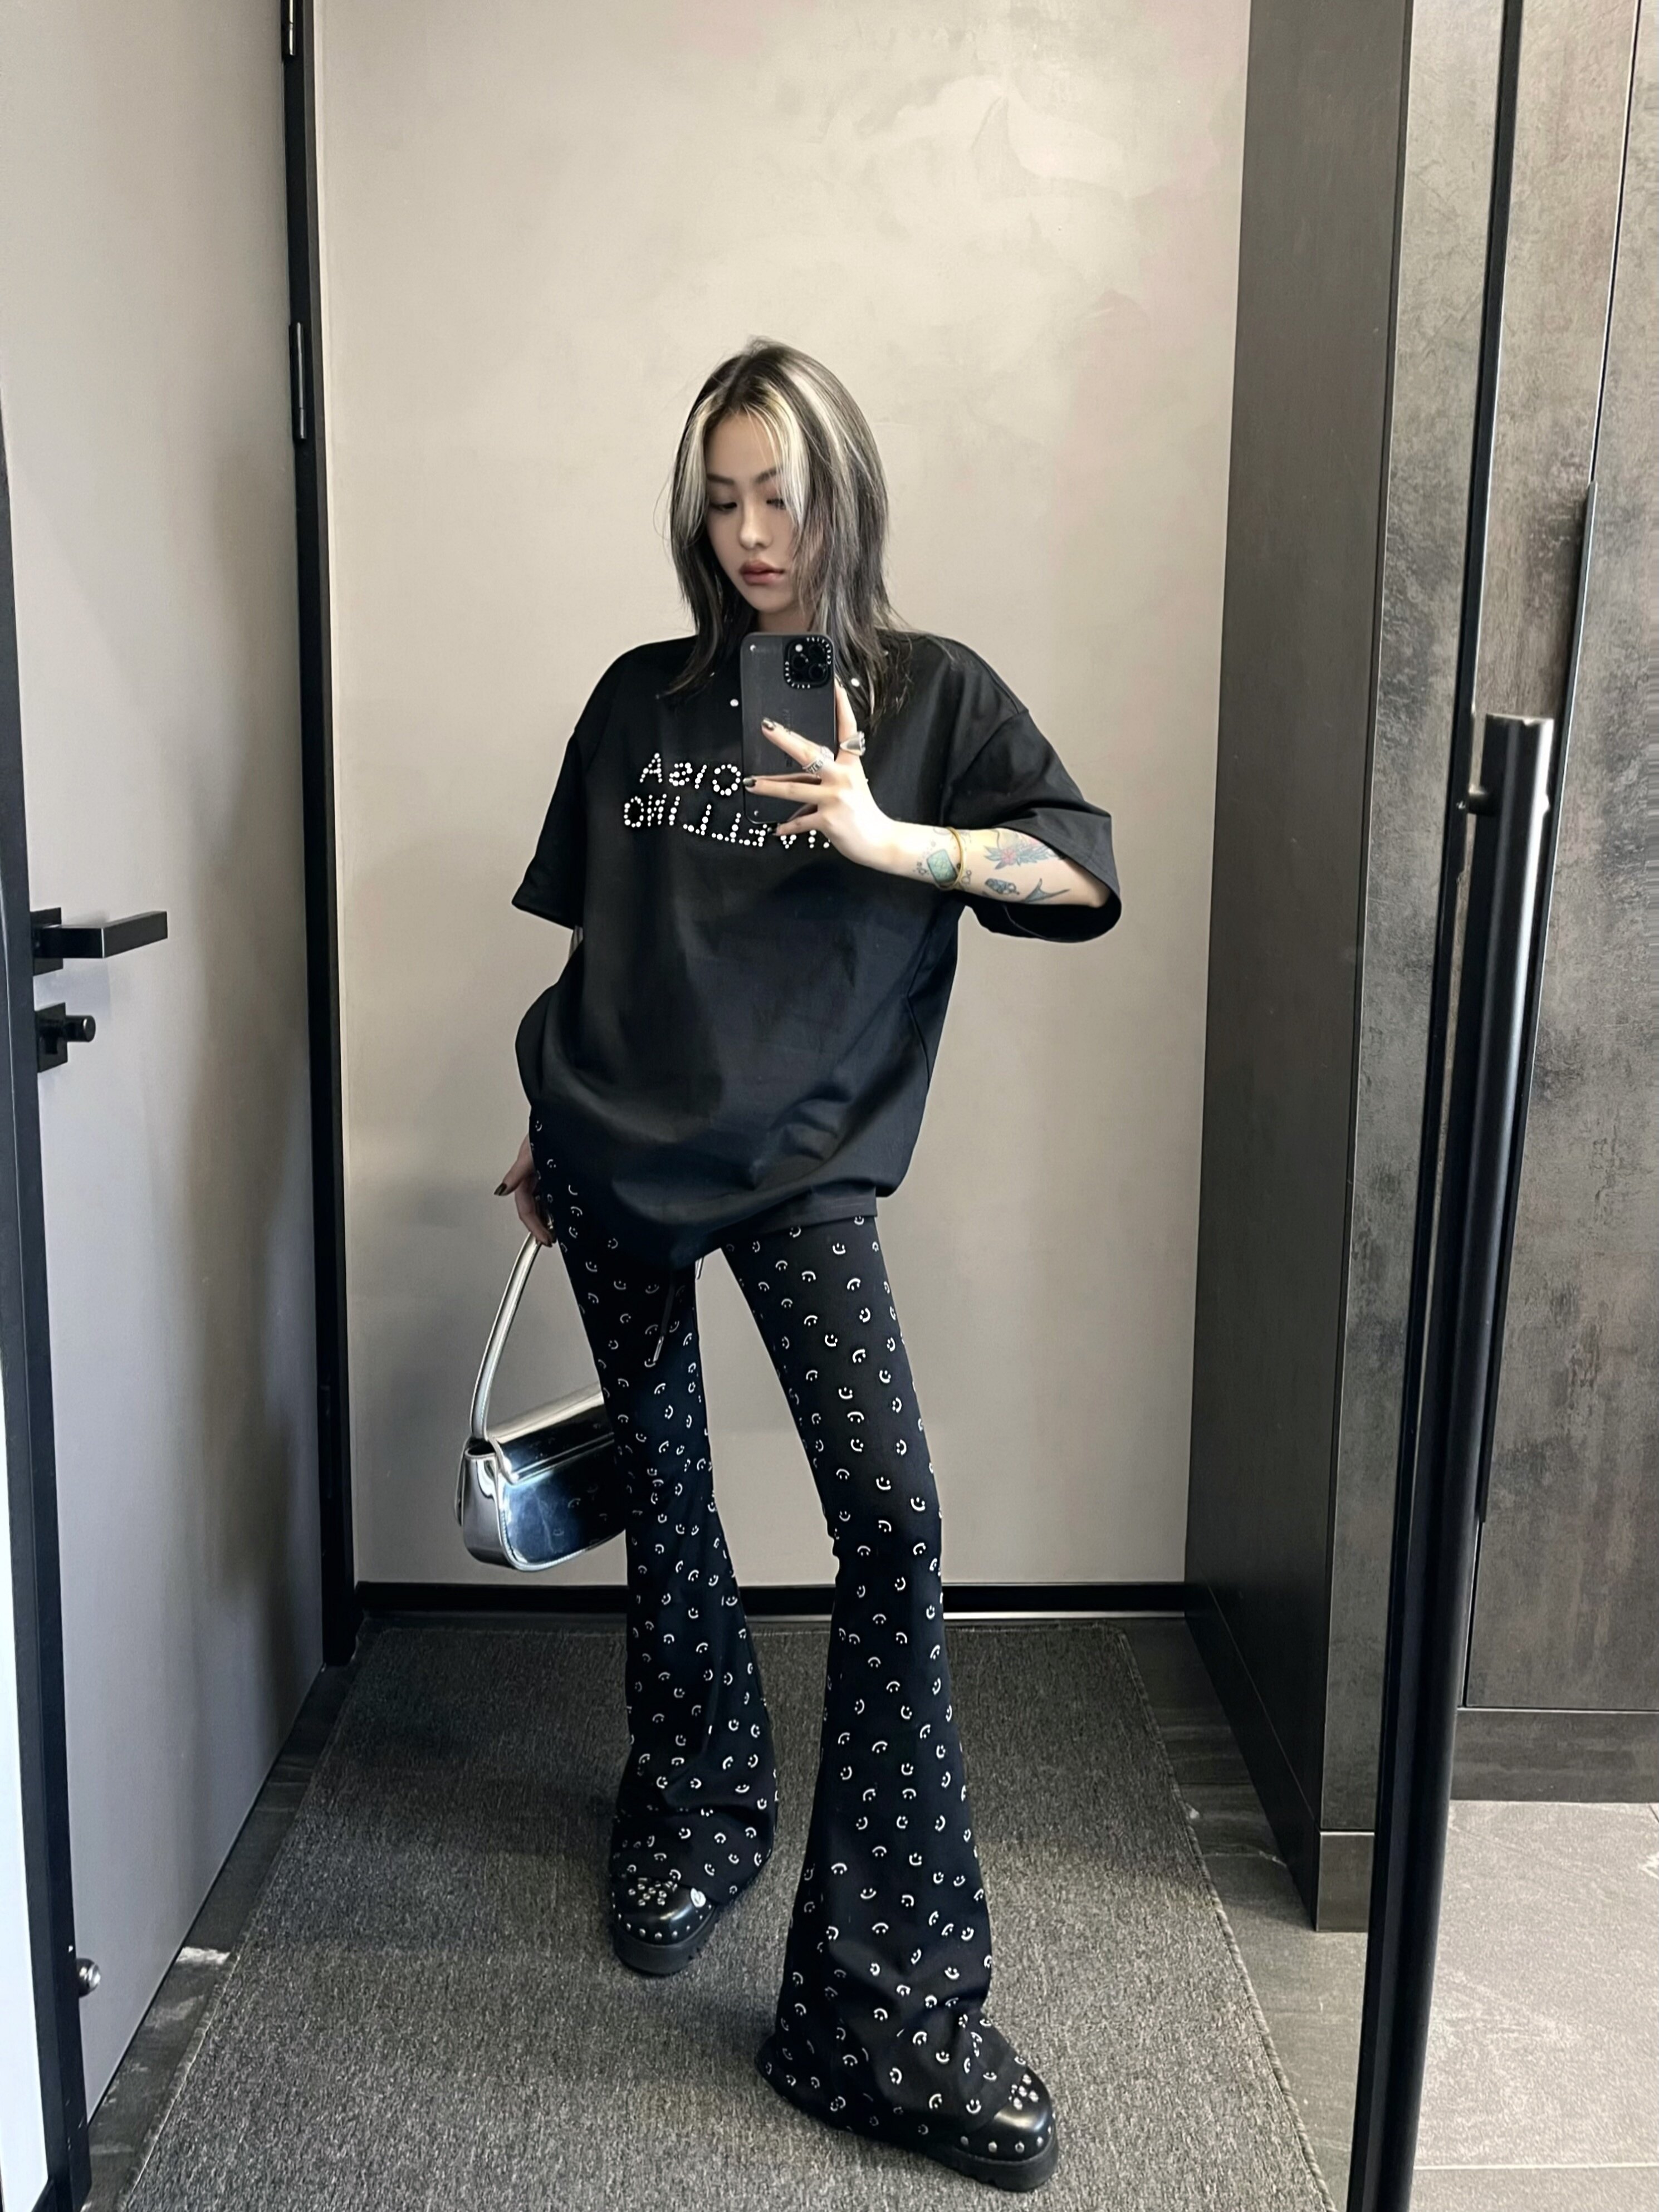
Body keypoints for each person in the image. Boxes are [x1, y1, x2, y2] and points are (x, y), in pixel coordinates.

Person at [498, 339, 1119, 2192]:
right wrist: (541, 1115)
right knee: (664, 1484)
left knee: (890, 1524)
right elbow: (604, 938)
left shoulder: (931, 696)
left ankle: (871, 2006)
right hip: (609, 1146)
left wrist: (887, 837)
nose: (752, 534)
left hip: (800, 1174)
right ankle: (693, 1803)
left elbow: (1082, 876)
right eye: (720, 499)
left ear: (842, 490)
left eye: (779, 493)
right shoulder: (640, 699)